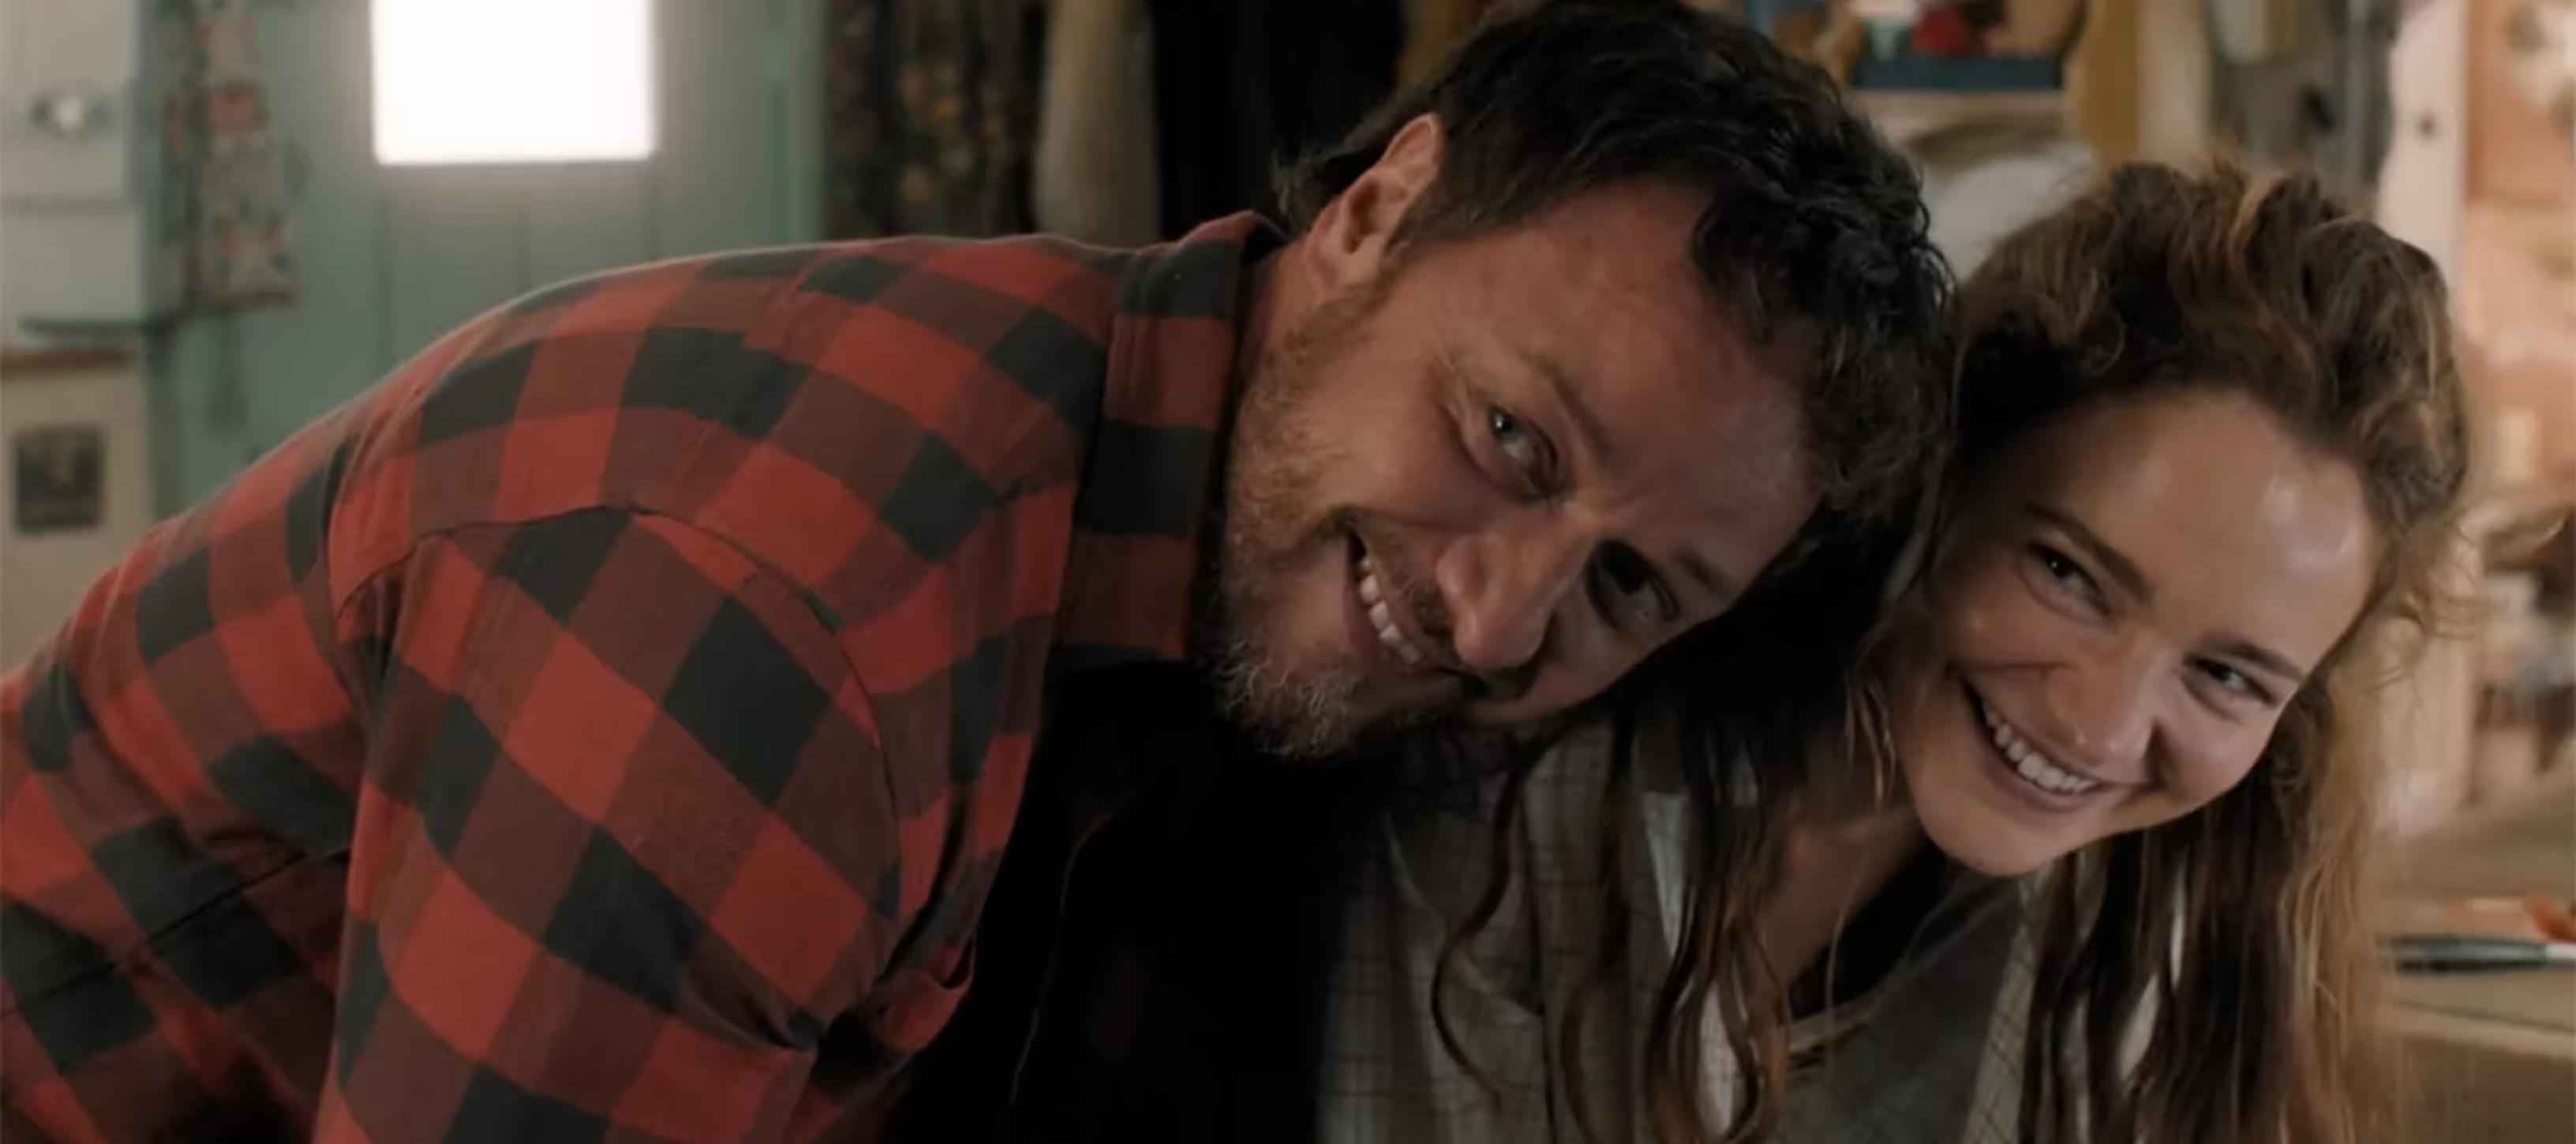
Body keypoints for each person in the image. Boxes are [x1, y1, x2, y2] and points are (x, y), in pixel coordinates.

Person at [0, 4, 1951, 1142]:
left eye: (1631, 588)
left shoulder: (1211, 521)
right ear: (1375, 211)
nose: (1501, 615)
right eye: (1512, 436)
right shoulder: (788, 625)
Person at [1321, 160, 2472, 1144]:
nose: (2102, 726)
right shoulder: (1533, 763)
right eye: (2068, 574)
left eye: (2226, 676)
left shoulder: (2137, 944)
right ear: (1942, 472)